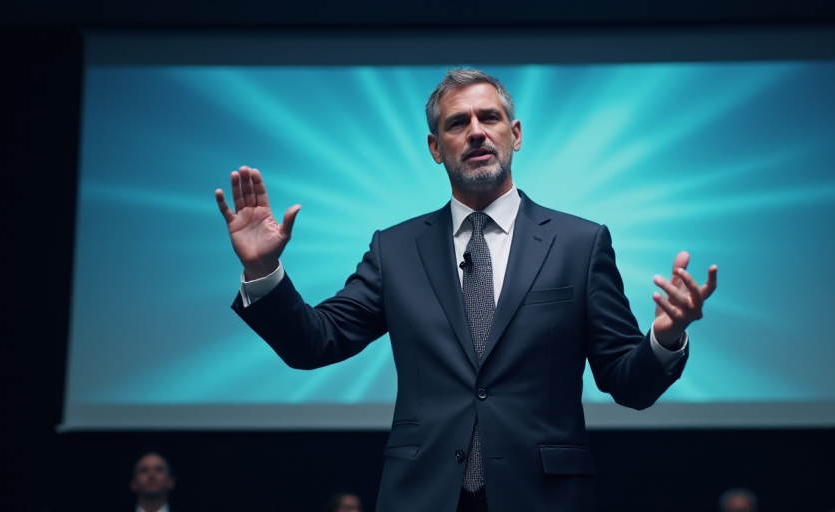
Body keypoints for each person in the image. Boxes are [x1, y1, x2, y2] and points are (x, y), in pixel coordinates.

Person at [217, 69, 717, 512]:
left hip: (543, 497)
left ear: (515, 134)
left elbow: (627, 384)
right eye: (458, 123)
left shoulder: (580, 244)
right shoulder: (395, 249)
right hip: (423, 494)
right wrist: (264, 272)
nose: (476, 131)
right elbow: (315, 343)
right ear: (436, 148)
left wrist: (666, 338)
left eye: (490, 118)